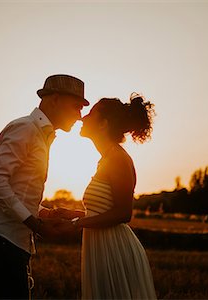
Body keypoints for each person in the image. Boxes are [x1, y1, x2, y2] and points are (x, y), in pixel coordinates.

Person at [0, 74, 89, 299]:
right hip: (1, 239)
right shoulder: (25, 128)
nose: (80, 116)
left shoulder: (42, 136)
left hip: (12, 241)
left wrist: (47, 214)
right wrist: (36, 225)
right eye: (76, 107)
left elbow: (20, 194)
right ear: (55, 99)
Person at [61, 93, 157, 299]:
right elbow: (102, 211)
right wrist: (69, 214)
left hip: (115, 251)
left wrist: (77, 224)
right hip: (101, 248)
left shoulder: (118, 159)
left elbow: (123, 213)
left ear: (104, 124)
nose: (83, 117)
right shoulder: (107, 158)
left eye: (91, 113)